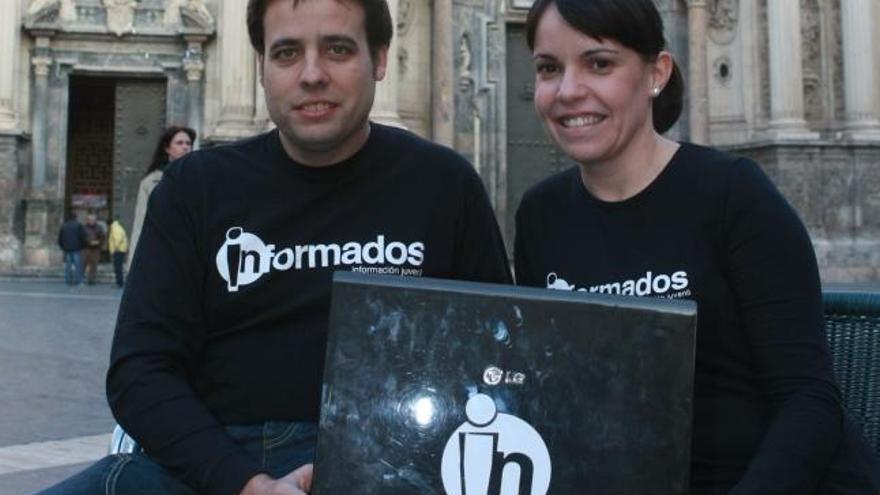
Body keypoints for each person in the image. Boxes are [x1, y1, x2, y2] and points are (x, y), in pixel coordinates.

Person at [37, 1, 511, 494]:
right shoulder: (194, 188)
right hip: (212, 460)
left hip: (391, 462)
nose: (312, 75)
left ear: (381, 58)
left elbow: (501, 354)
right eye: (286, 53)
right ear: (260, 67)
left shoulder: (444, 186)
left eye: (338, 49)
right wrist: (248, 484)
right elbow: (140, 372)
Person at [513, 1, 880, 494]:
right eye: (548, 69)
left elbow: (808, 400)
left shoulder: (733, 195)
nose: (568, 91)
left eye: (599, 63)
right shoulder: (541, 217)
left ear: (656, 73)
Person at [126, 125, 195, 271]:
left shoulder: (200, 178)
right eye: (179, 143)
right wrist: (134, 263)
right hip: (162, 252)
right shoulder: (151, 182)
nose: (185, 147)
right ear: (167, 148)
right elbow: (140, 223)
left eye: (188, 143)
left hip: (192, 252)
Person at [57, 212, 86, 286]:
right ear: (76, 217)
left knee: (68, 266)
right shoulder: (79, 225)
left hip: (67, 249)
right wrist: (82, 246)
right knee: (78, 265)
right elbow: (82, 237)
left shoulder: (64, 226)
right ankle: (79, 280)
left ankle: (68, 280)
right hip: (77, 248)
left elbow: (60, 239)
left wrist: (63, 247)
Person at [82, 213, 106, 285]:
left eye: (93, 220)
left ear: (95, 220)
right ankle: (81, 279)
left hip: (95, 250)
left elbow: (103, 237)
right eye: (90, 219)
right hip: (86, 249)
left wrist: (98, 242)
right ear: (87, 220)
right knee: (83, 264)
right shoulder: (84, 227)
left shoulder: (99, 227)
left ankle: (91, 280)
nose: (92, 221)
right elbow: (81, 237)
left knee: (94, 266)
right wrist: (87, 242)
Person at [107, 216, 128, 288]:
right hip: (120, 250)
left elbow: (118, 239)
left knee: (118, 268)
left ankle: (119, 283)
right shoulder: (118, 227)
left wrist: (115, 248)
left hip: (118, 251)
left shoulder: (115, 228)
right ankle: (119, 282)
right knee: (119, 267)